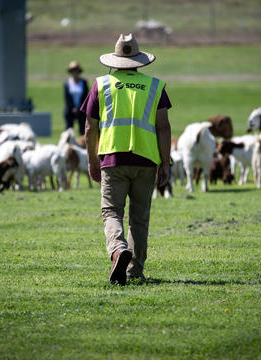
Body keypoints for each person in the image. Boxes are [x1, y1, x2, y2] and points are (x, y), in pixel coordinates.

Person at [81, 33, 172, 286]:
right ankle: (134, 270)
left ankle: (118, 249)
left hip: (112, 157)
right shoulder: (156, 86)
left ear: (115, 59)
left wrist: (91, 161)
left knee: (111, 211)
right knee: (139, 217)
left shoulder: (101, 85)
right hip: (146, 159)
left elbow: (90, 128)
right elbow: (164, 128)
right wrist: (165, 162)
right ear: (139, 60)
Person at [63, 61, 88, 134]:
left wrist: (79, 108)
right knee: (69, 129)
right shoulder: (67, 83)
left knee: (83, 130)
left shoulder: (83, 82)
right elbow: (67, 98)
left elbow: (85, 96)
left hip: (81, 109)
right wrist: (73, 108)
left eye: (76, 71)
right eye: (73, 71)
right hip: (70, 109)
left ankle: (83, 143)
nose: (74, 73)